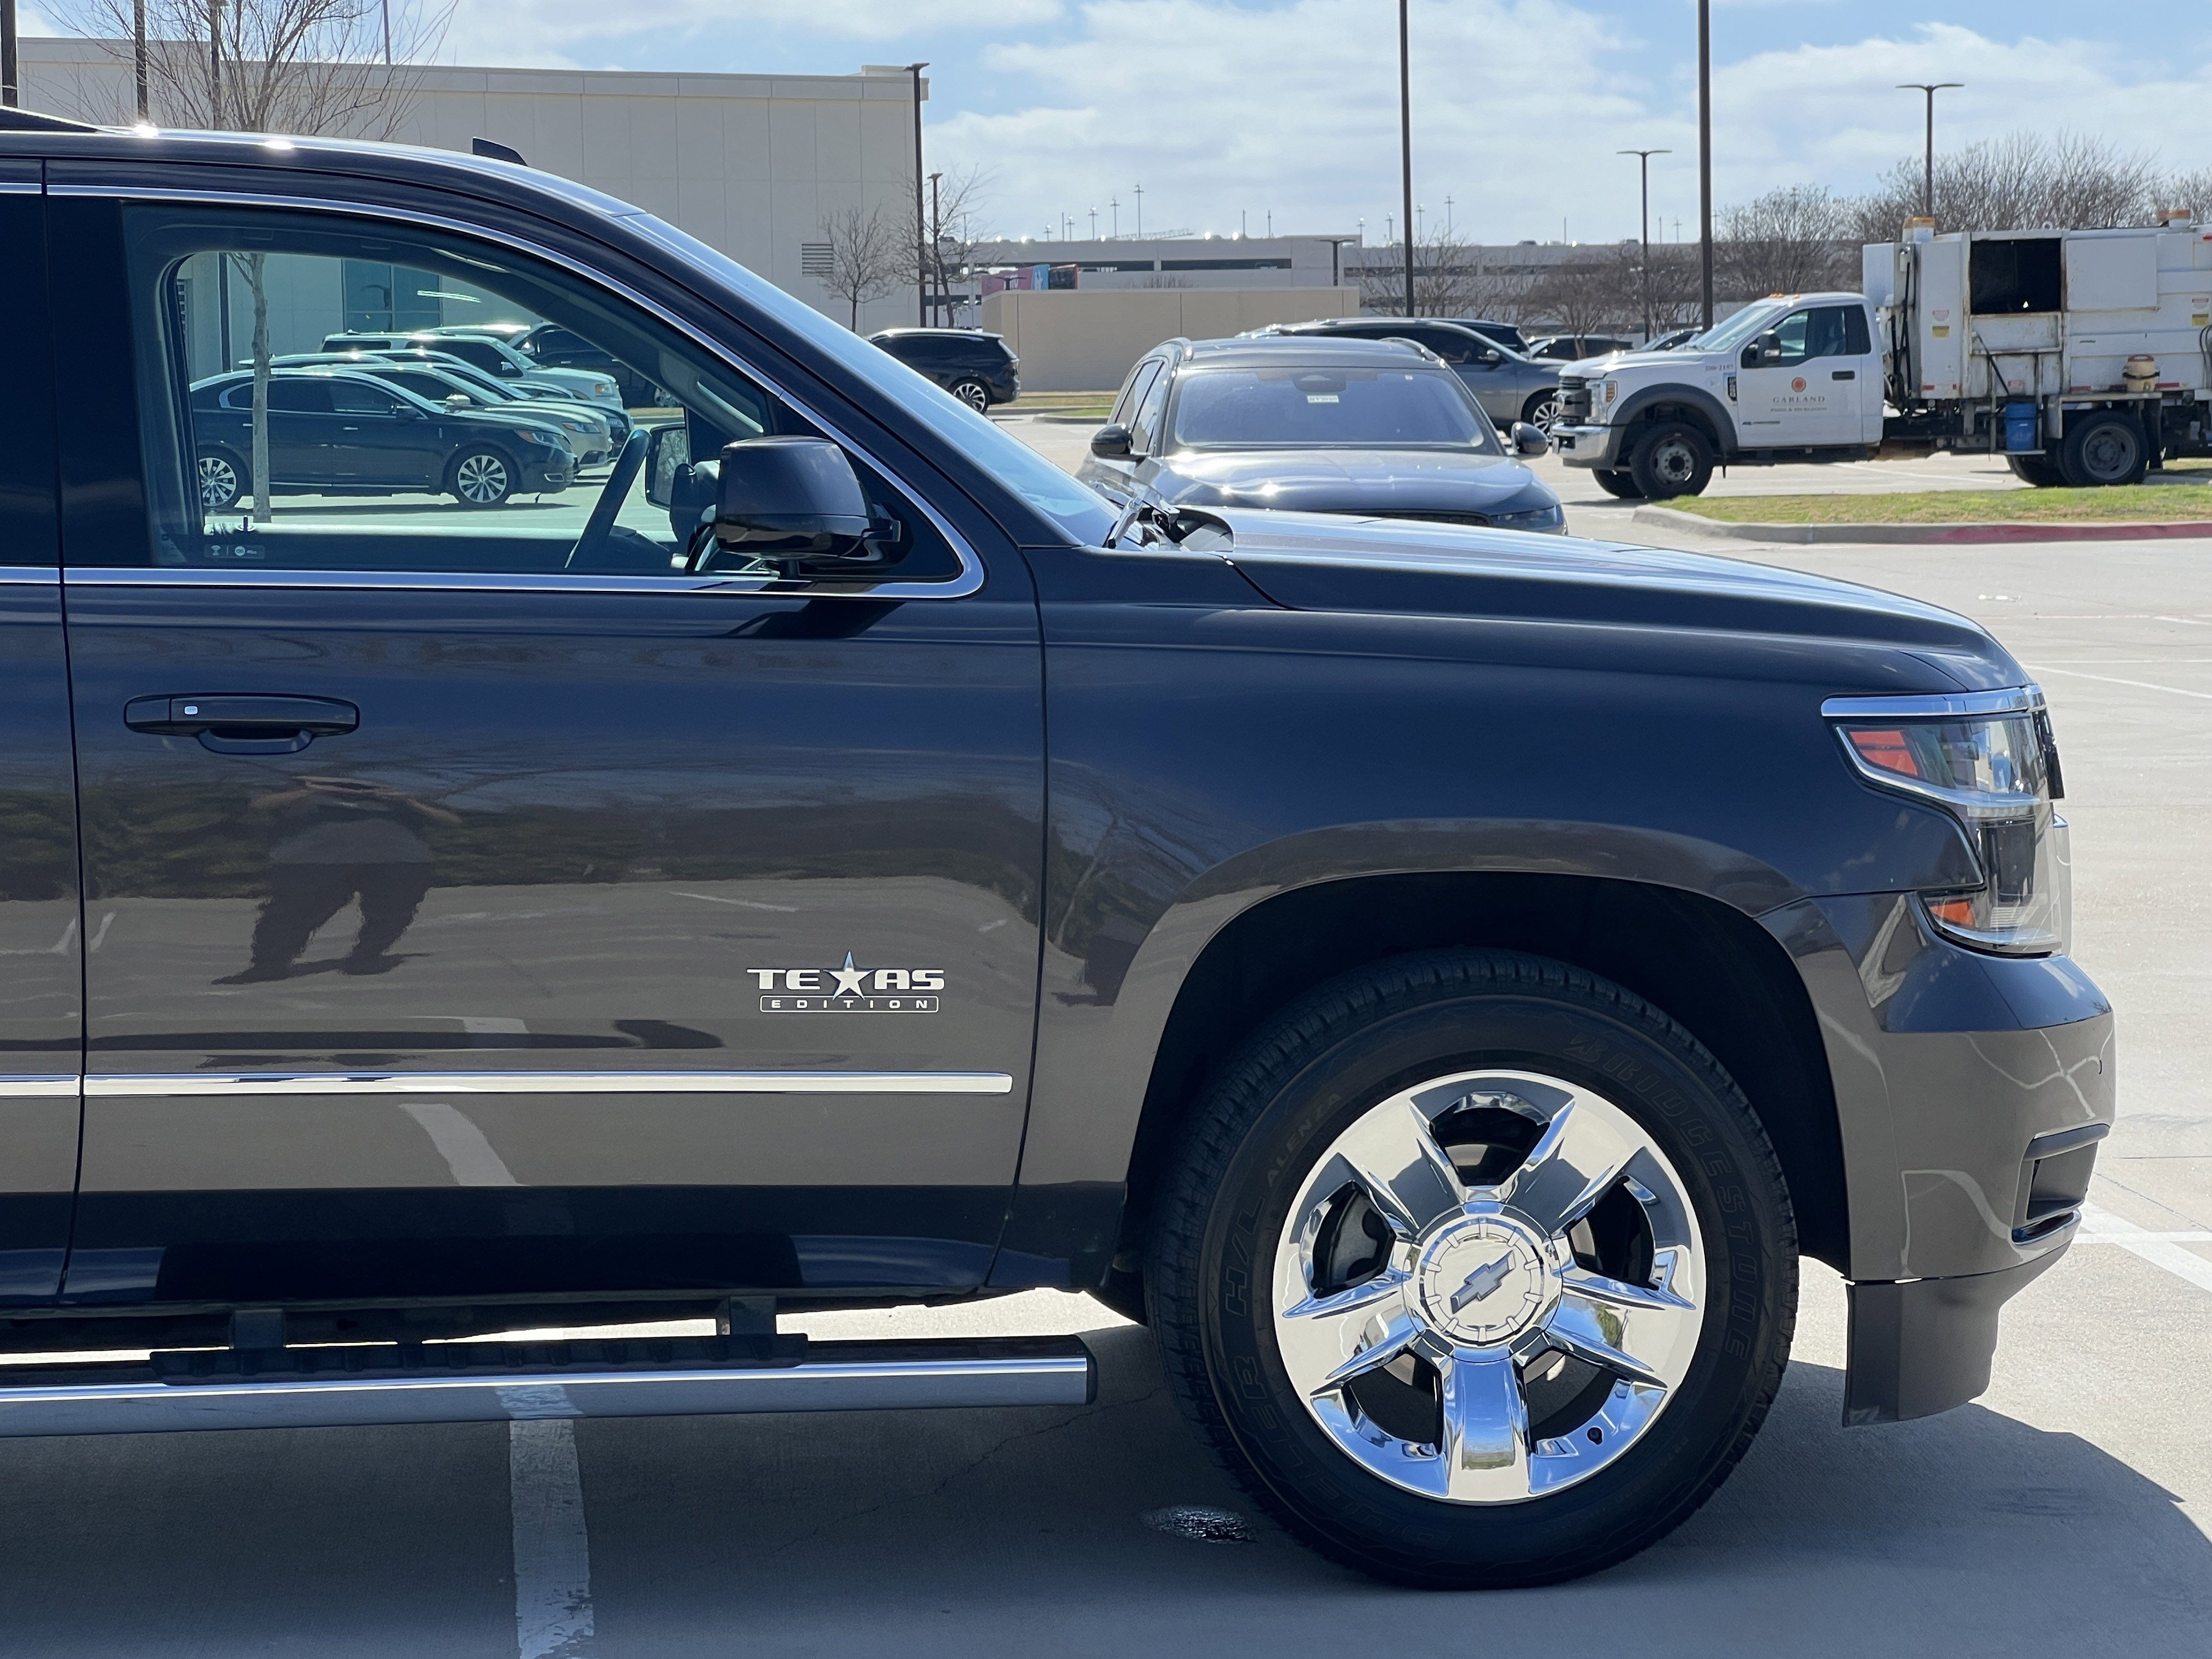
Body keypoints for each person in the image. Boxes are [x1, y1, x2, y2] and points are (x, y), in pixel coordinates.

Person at [220, 776, 460, 983]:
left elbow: (452, 820)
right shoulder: (305, 788)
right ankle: (269, 964)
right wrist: (314, 790)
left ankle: (366, 957)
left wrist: (407, 800)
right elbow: (259, 804)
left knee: (391, 912)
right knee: (293, 911)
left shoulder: (398, 793)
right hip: (314, 861)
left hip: (398, 859)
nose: (352, 790)